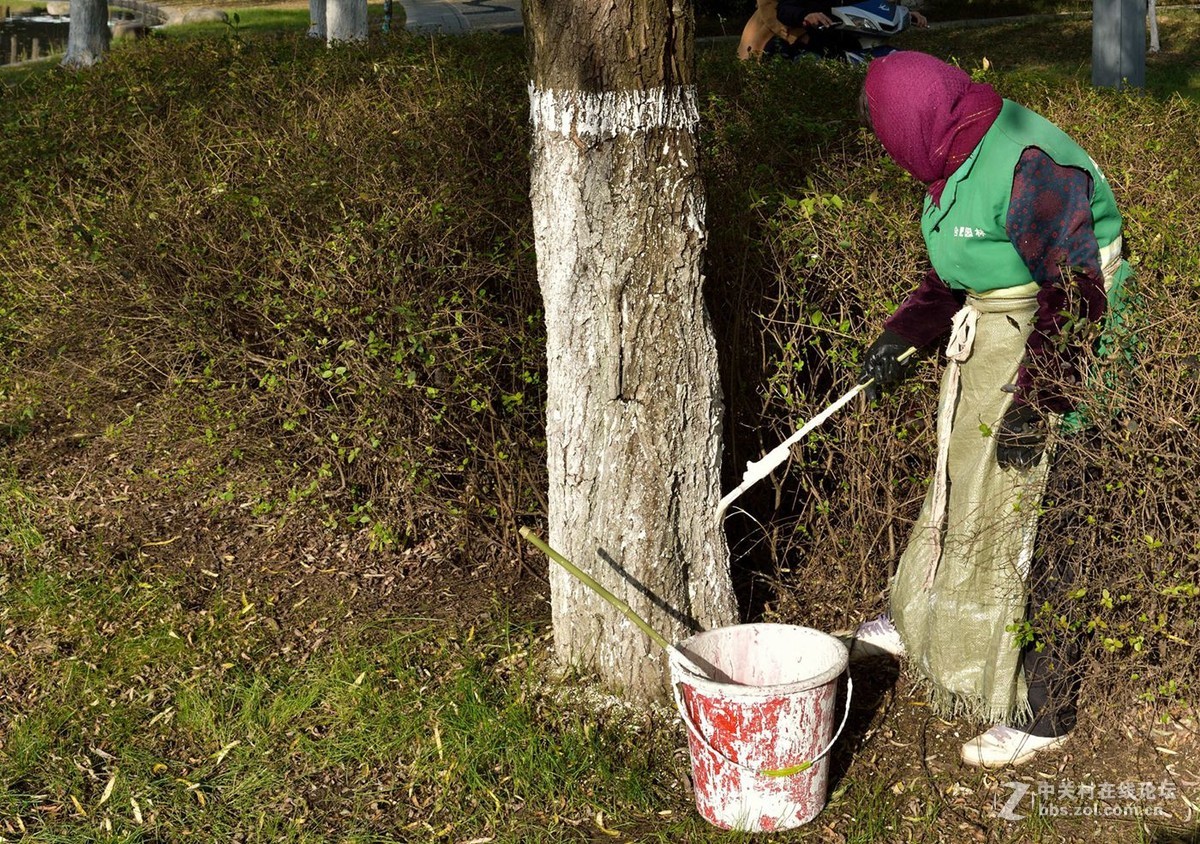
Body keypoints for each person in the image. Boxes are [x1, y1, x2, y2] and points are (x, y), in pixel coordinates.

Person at [852, 52, 1132, 768]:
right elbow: (957, 272)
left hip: (1069, 349)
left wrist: (1042, 404)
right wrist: (903, 332)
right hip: (1000, 340)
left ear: (919, 119)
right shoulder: (952, 156)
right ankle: (931, 619)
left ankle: (1045, 714)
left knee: (1045, 522)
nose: (891, 153)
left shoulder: (1023, 163)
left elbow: (1080, 295)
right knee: (965, 483)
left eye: (888, 135)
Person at [737, 0, 927, 62]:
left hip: (831, 37)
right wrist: (806, 16)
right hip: (782, 38)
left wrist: (901, 13)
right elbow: (779, 10)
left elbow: (869, 4)